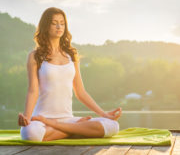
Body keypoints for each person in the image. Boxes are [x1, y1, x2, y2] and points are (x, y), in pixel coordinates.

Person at [18, 7, 122, 141]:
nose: (59, 26)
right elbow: (33, 90)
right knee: (30, 133)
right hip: (41, 119)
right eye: (54, 23)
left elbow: (80, 91)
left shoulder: (72, 55)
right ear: (45, 26)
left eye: (62, 23)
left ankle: (62, 127)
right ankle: (75, 130)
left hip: (67, 118)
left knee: (112, 125)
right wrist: (27, 117)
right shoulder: (35, 56)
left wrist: (103, 114)